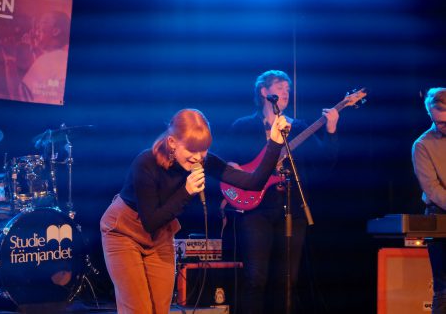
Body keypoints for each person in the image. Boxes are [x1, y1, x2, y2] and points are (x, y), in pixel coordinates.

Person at [100, 108, 291, 314]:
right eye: (192, 150)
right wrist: (187, 191)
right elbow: (151, 221)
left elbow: (253, 182)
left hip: (160, 235)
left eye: (204, 150)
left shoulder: (202, 160)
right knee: (139, 309)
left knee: (159, 309)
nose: (198, 158)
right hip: (124, 231)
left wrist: (274, 143)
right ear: (172, 142)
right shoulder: (146, 163)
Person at [221, 70, 339, 313]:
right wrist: (232, 167)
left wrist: (331, 130)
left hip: (292, 210)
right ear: (264, 91)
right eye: (280, 86)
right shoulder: (242, 126)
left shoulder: (296, 128)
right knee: (255, 278)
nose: (286, 91)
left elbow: (326, 161)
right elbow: (226, 165)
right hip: (255, 211)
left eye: (288, 87)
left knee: (287, 282)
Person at [412, 87, 446, 314]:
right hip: (440, 214)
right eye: (440, 122)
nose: (444, 126)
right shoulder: (422, 145)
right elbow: (432, 190)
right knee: (444, 291)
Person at [19, 11, 70, 104]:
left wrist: (9, 59)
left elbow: (20, 94)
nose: (36, 28)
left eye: (43, 22)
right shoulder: (59, 58)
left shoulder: (49, 60)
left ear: (55, 31)